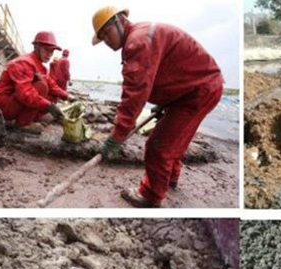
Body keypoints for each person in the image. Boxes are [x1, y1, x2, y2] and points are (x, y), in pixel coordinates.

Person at [91, 6, 224, 208]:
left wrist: (116, 136)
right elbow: (169, 71)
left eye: (106, 34)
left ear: (120, 21)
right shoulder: (142, 36)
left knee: (158, 146)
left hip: (197, 92)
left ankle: (151, 195)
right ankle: (169, 179)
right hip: (193, 90)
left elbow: (134, 94)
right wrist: (164, 103)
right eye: (102, 38)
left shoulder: (137, 42)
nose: (107, 42)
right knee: (174, 140)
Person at [0, 32, 73, 133]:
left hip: (12, 102)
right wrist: (48, 106)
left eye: (52, 51)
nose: (49, 54)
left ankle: (32, 117)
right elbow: (25, 93)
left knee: (51, 93)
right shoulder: (24, 62)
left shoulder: (40, 66)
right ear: (36, 47)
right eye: (46, 50)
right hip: (2, 106)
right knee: (41, 87)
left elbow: (52, 85)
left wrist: (67, 97)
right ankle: (22, 124)